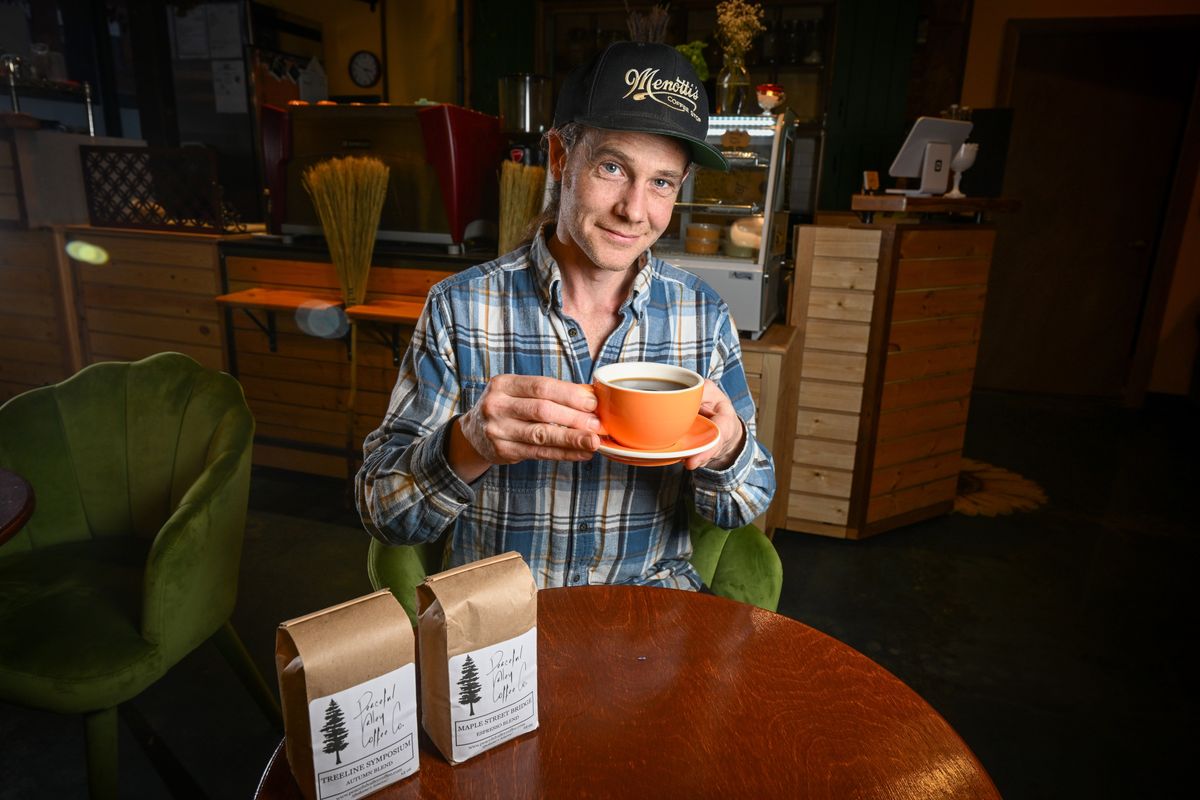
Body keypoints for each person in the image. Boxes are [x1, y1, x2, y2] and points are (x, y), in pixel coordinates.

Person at [356, 41, 775, 591]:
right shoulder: (461, 307)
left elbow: (743, 504)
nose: (634, 209)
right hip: (499, 618)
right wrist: (469, 442)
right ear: (559, 158)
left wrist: (727, 446)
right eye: (611, 167)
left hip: (648, 614)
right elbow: (381, 510)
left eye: (662, 182)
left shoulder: (703, 314)